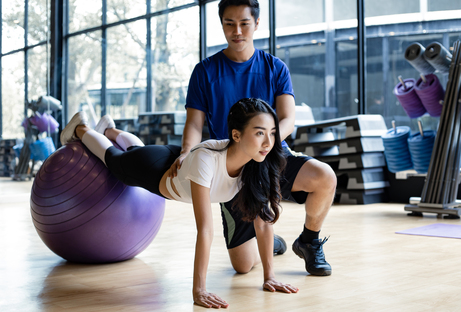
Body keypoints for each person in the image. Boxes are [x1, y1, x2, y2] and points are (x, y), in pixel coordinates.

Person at [60, 98, 298, 309]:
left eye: (272, 132)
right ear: (236, 135)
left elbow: (264, 224)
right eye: (259, 133)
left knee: (134, 149)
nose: (268, 142)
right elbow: (205, 229)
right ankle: (81, 128)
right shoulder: (208, 161)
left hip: (179, 162)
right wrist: (199, 290)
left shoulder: (260, 164)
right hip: (158, 171)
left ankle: (109, 129)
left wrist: (269, 277)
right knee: (116, 160)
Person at [170, 0, 337, 277]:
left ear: (256, 24)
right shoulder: (205, 71)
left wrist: (264, 145)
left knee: (325, 177)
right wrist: (187, 151)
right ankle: (269, 242)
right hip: (230, 165)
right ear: (221, 24)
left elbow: (288, 119)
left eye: (244, 23)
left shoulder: (275, 67)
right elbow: (194, 122)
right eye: (229, 24)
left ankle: (309, 241)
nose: (237, 31)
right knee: (243, 266)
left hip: (271, 156)